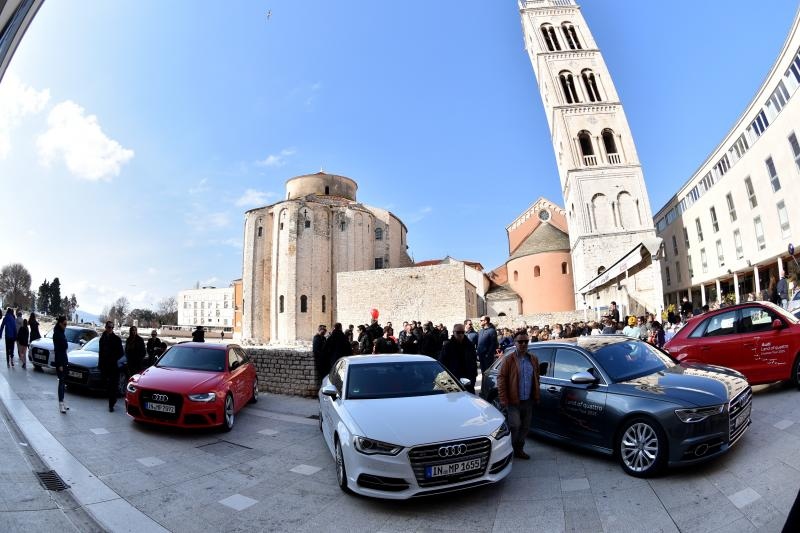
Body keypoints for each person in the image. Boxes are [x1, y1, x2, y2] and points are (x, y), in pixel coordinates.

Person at [497, 329, 540, 460]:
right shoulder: (509, 359)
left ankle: (519, 449)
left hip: (528, 400)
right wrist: (503, 398)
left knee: (525, 427)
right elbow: (501, 378)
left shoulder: (533, 359)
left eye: (526, 341)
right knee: (515, 426)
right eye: (520, 341)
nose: (523, 344)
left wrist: (536, 395)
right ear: (515, 343)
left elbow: (537, 377)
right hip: (513, 400)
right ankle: (507, 449)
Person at [439, 323, 478, 393]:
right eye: (458, 332)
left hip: (468, 379)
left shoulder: (470, 345)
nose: (460, 334)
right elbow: (442, 363)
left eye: (462, 332)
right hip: (453, 380)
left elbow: (473, 362)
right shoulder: (448, 346)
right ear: (453, 332)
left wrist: (473, 378)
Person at [99, 321, 124, 412]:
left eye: (112, 327)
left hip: (113, 366)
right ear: (105, 327)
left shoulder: (117, 339)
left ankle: (111, 404)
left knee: (113, 385)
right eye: (109, 327)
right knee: (108, 386)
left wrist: (113, 358)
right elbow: (101, 353)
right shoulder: (102, 339)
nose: (110, 329)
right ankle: (113, 400)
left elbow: (121, 353)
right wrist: (100, 364)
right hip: (105, 366)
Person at [53, 316, 69, 413]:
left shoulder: (61, 333)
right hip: (60, 361)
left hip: (64, 359)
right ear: (60, 324)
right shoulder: (57, 334)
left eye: (66, 324)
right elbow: (57, 350)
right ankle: (60, 403)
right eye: (64, 324)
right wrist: (59, 364)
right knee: (61, 382)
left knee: (63, 382)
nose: (65, 326)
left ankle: (62, 401)